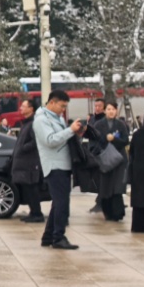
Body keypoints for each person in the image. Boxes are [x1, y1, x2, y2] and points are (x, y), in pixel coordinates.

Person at [34, 90, 86, 250]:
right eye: (62, 106)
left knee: (58, 203)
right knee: (62, 203)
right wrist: (70, 130)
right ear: (52, 102)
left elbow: (63, 138)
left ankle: (48, 236)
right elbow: (50, 140)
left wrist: (74, 131)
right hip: (54, 165)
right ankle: (58, 237)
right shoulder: (41, 120)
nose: (63, 110)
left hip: (63, 164)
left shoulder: (57, 118)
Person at [93, 103, 130, 222]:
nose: (111, 111)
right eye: (108, 109)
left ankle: (118, 212)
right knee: (106, 186)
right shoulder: (98, 125)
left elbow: (125, 140)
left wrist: (114, 139)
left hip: (119, 159)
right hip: (105, 159)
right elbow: (95, 141)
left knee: (117, 186)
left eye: (113, 109)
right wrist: (105, 139)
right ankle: (107, 212)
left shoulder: (121, 124)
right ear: (105, 111)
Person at [11, 98, 46, 223]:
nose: (21, 108)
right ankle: (33, 212)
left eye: (23, 106)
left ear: (31, 109)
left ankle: (37, 213)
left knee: (32, 189)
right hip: (24, 163)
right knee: (28, 189)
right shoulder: (26, 123)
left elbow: (36, 141)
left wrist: (23, 148)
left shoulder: (33, 124)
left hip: (30, 163)